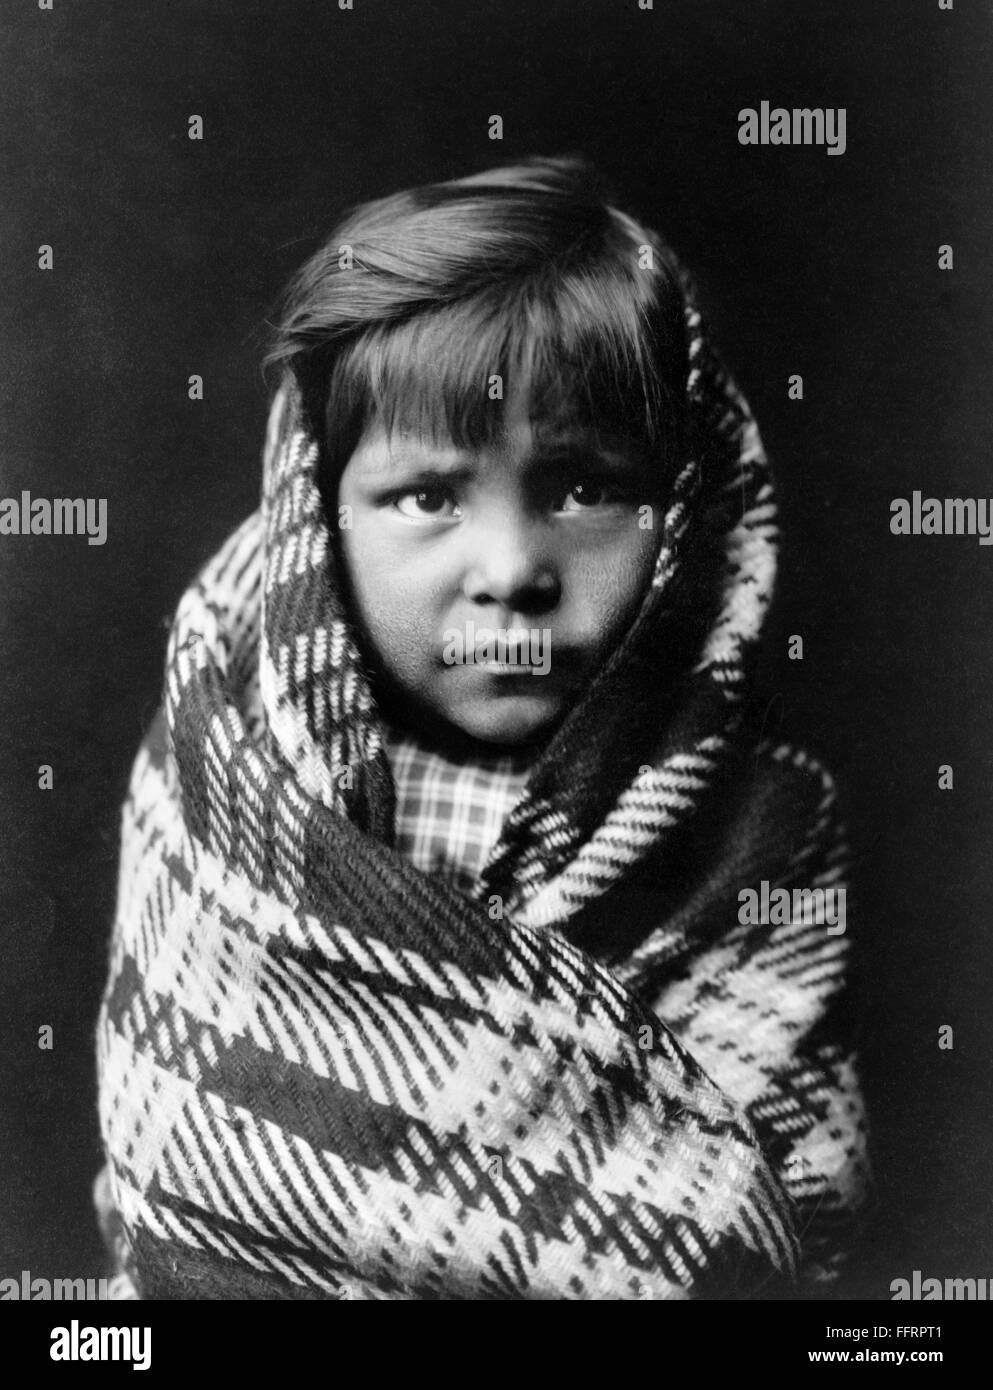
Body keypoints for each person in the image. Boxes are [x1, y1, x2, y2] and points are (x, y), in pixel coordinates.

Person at [94, 156, 870, 1299]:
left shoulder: (765, 823)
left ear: (687, 512)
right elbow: (169, 1164)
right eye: (428, 497)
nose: (511, 570)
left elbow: (798, 1211)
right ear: (315, 513)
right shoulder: (228, 768)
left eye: (586, 489)